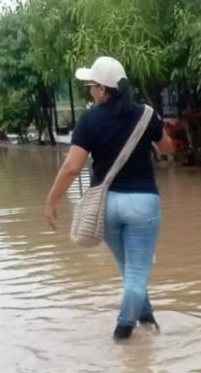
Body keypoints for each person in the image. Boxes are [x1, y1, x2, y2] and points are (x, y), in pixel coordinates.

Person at [45, 56, 173, 341]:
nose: (90, 90)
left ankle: (146, 321)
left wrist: (52, 200)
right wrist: (158, 131)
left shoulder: (89, 120)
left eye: (91, 85)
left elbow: (72, 167)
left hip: (108, 204)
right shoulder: (146, 115)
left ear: (103, 90)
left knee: (130, 271)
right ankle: (123, 332)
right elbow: (167, 149)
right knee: (137, 272)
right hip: (143, 203)